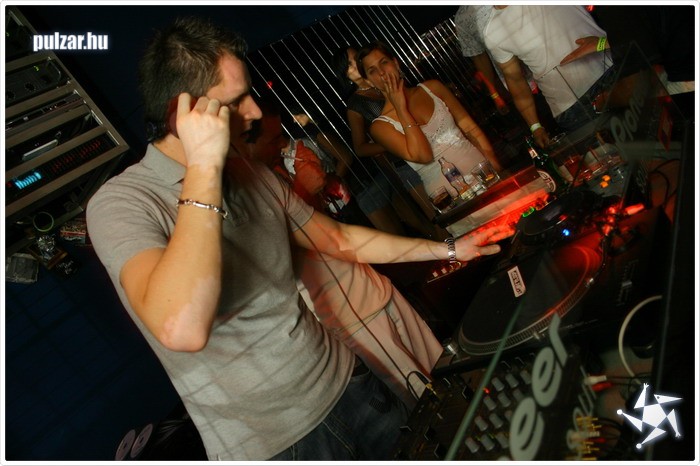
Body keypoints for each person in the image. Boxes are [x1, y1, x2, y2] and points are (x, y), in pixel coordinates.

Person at [85, 17, 513, 461]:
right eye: (236, 101)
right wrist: (203, 168)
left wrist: (451, 248)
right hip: (278, 442)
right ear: (186, 116)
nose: (254, 112)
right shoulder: (122, 203)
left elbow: (339, 239)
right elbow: (182, 327)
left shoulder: (250, 173)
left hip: (349, 382)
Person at [247, 101, 443, 407]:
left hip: (372, 287)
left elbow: (327, 230)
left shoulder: (276, 172)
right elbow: (280, 252)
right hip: (351, 317)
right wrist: (303, 189)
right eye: (273, 139)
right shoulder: (246, 193)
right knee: (425, 400)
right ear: (245, 143)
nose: (281, 145)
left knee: (443, 370)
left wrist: (314, 188)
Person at [356, 40, 502, 202]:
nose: (382, 72)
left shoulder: (432, 88)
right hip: (451, 197)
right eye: (372, 71)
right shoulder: (380, 127)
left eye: (384, 62)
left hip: (485, 174)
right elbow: (423, 156)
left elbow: (469, 127)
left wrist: (492, 163)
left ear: (395, 63)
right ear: (368, 81)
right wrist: (401, 108)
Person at [331, 45, 444, 238]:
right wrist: (391, 142)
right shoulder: (355, 105)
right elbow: (360, 148)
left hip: (432, 145)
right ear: (345, 75)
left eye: (356, 59)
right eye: (349, 65)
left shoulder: (386, 82)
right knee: (437, 213)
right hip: (404, 163)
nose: (355, 65)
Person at [481, 5, 612, 147]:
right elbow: (515, 80)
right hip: (570, 108)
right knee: (605, 156)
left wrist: (605, 42)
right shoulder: (492, 32)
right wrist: (535, 126)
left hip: (610, 72)